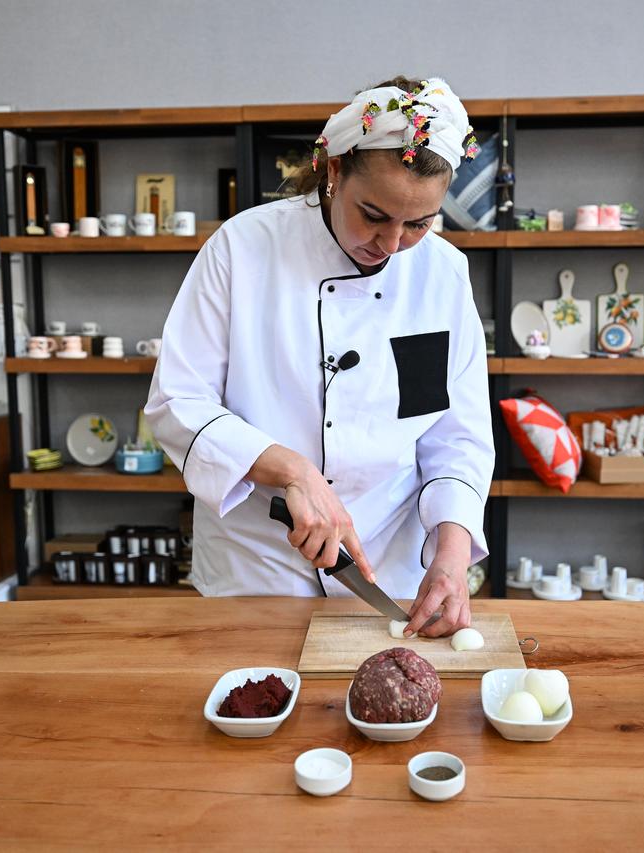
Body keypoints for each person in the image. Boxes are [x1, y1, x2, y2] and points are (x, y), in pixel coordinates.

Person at [144, 76, 493, 638]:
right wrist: (292, 471)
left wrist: (452, 552)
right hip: (259, 566)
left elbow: (455, 434)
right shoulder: (243, 248)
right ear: (334, 171)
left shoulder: (443, 274)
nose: (392, 244)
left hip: (388, 568)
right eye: (373, 215)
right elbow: (176, 402)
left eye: (419, 224)